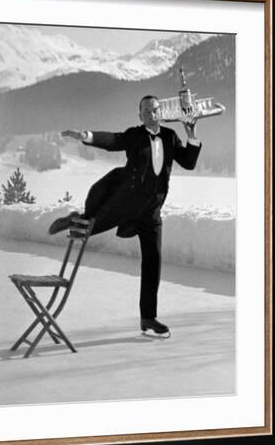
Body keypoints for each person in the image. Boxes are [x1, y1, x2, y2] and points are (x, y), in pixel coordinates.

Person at [49, 95, 202, 338]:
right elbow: (113, 140)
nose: (150, 114)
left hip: (152, 210)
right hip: (126, 202)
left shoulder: (170, 137)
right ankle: (75, 218)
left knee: (153, 261)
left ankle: (148, 318)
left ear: (160, 112)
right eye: (145, 111)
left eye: (154, 110)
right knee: (90, 226)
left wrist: (191, 135)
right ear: (139, 115)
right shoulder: (135, 135)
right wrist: (86, 136)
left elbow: (189, 163)